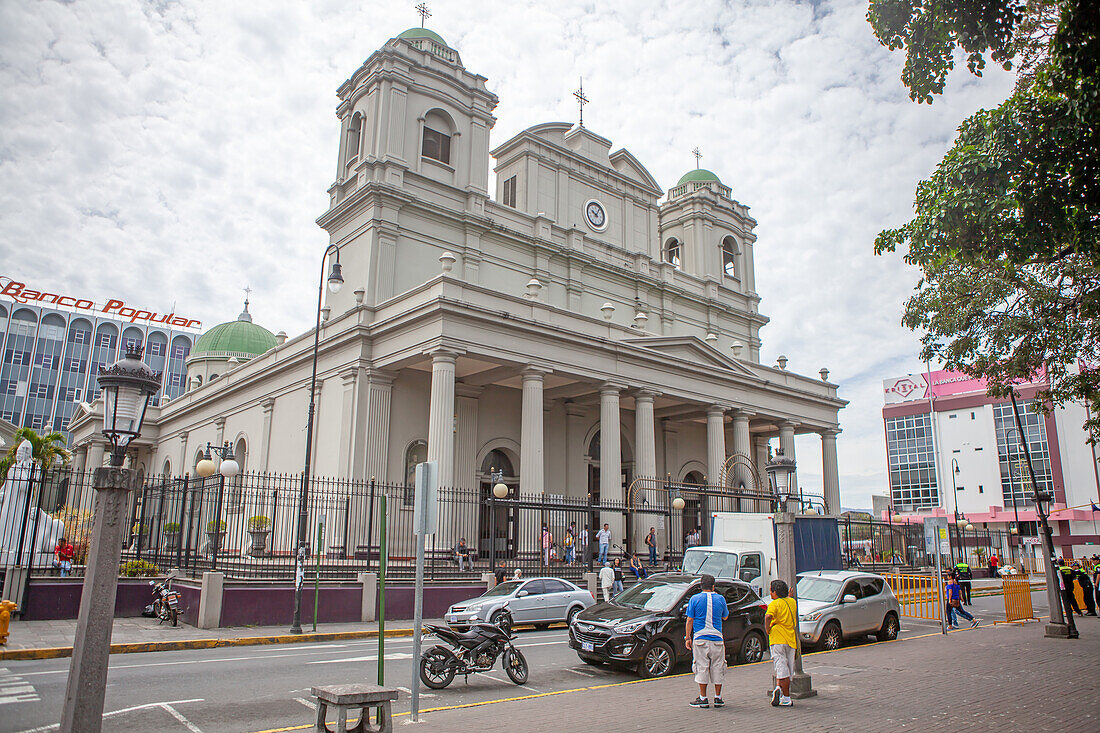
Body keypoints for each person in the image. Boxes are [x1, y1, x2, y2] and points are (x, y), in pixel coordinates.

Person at [685, 573, 728, 709]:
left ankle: (703, 698)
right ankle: (718, 697)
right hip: (717, 638)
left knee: (701, 667)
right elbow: (725, 617)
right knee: (718, 667)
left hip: (700, 638)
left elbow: (690, 620)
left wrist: (687, 637)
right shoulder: (720, 599)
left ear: (701, 586)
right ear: (713, 586)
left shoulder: (694, 599)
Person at [765, 578, 797, 708]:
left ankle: (787, 697)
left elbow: (768, 617)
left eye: (771, 591)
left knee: (781, 668)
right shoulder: (792, 602)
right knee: (788, 669)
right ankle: (779, 689)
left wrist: (767, 629)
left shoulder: (774, 604)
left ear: (775, 592)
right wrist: (789, 596)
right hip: (790, 638)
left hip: (778, 638)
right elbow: (787, 602)